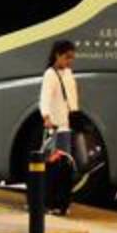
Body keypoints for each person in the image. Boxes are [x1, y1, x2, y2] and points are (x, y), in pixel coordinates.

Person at [39, 40, 79, 215]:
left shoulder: (68, 73)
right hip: (55, 128)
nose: (69, 61)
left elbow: (72, 97)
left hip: (66, 127)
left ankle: (62, 204)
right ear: (57, 55)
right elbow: (45, 97)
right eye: (67, 57)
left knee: (65, 168)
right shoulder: (50, 74)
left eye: (72, 58)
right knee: (56, 168)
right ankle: (53, 203)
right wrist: (46, 116)